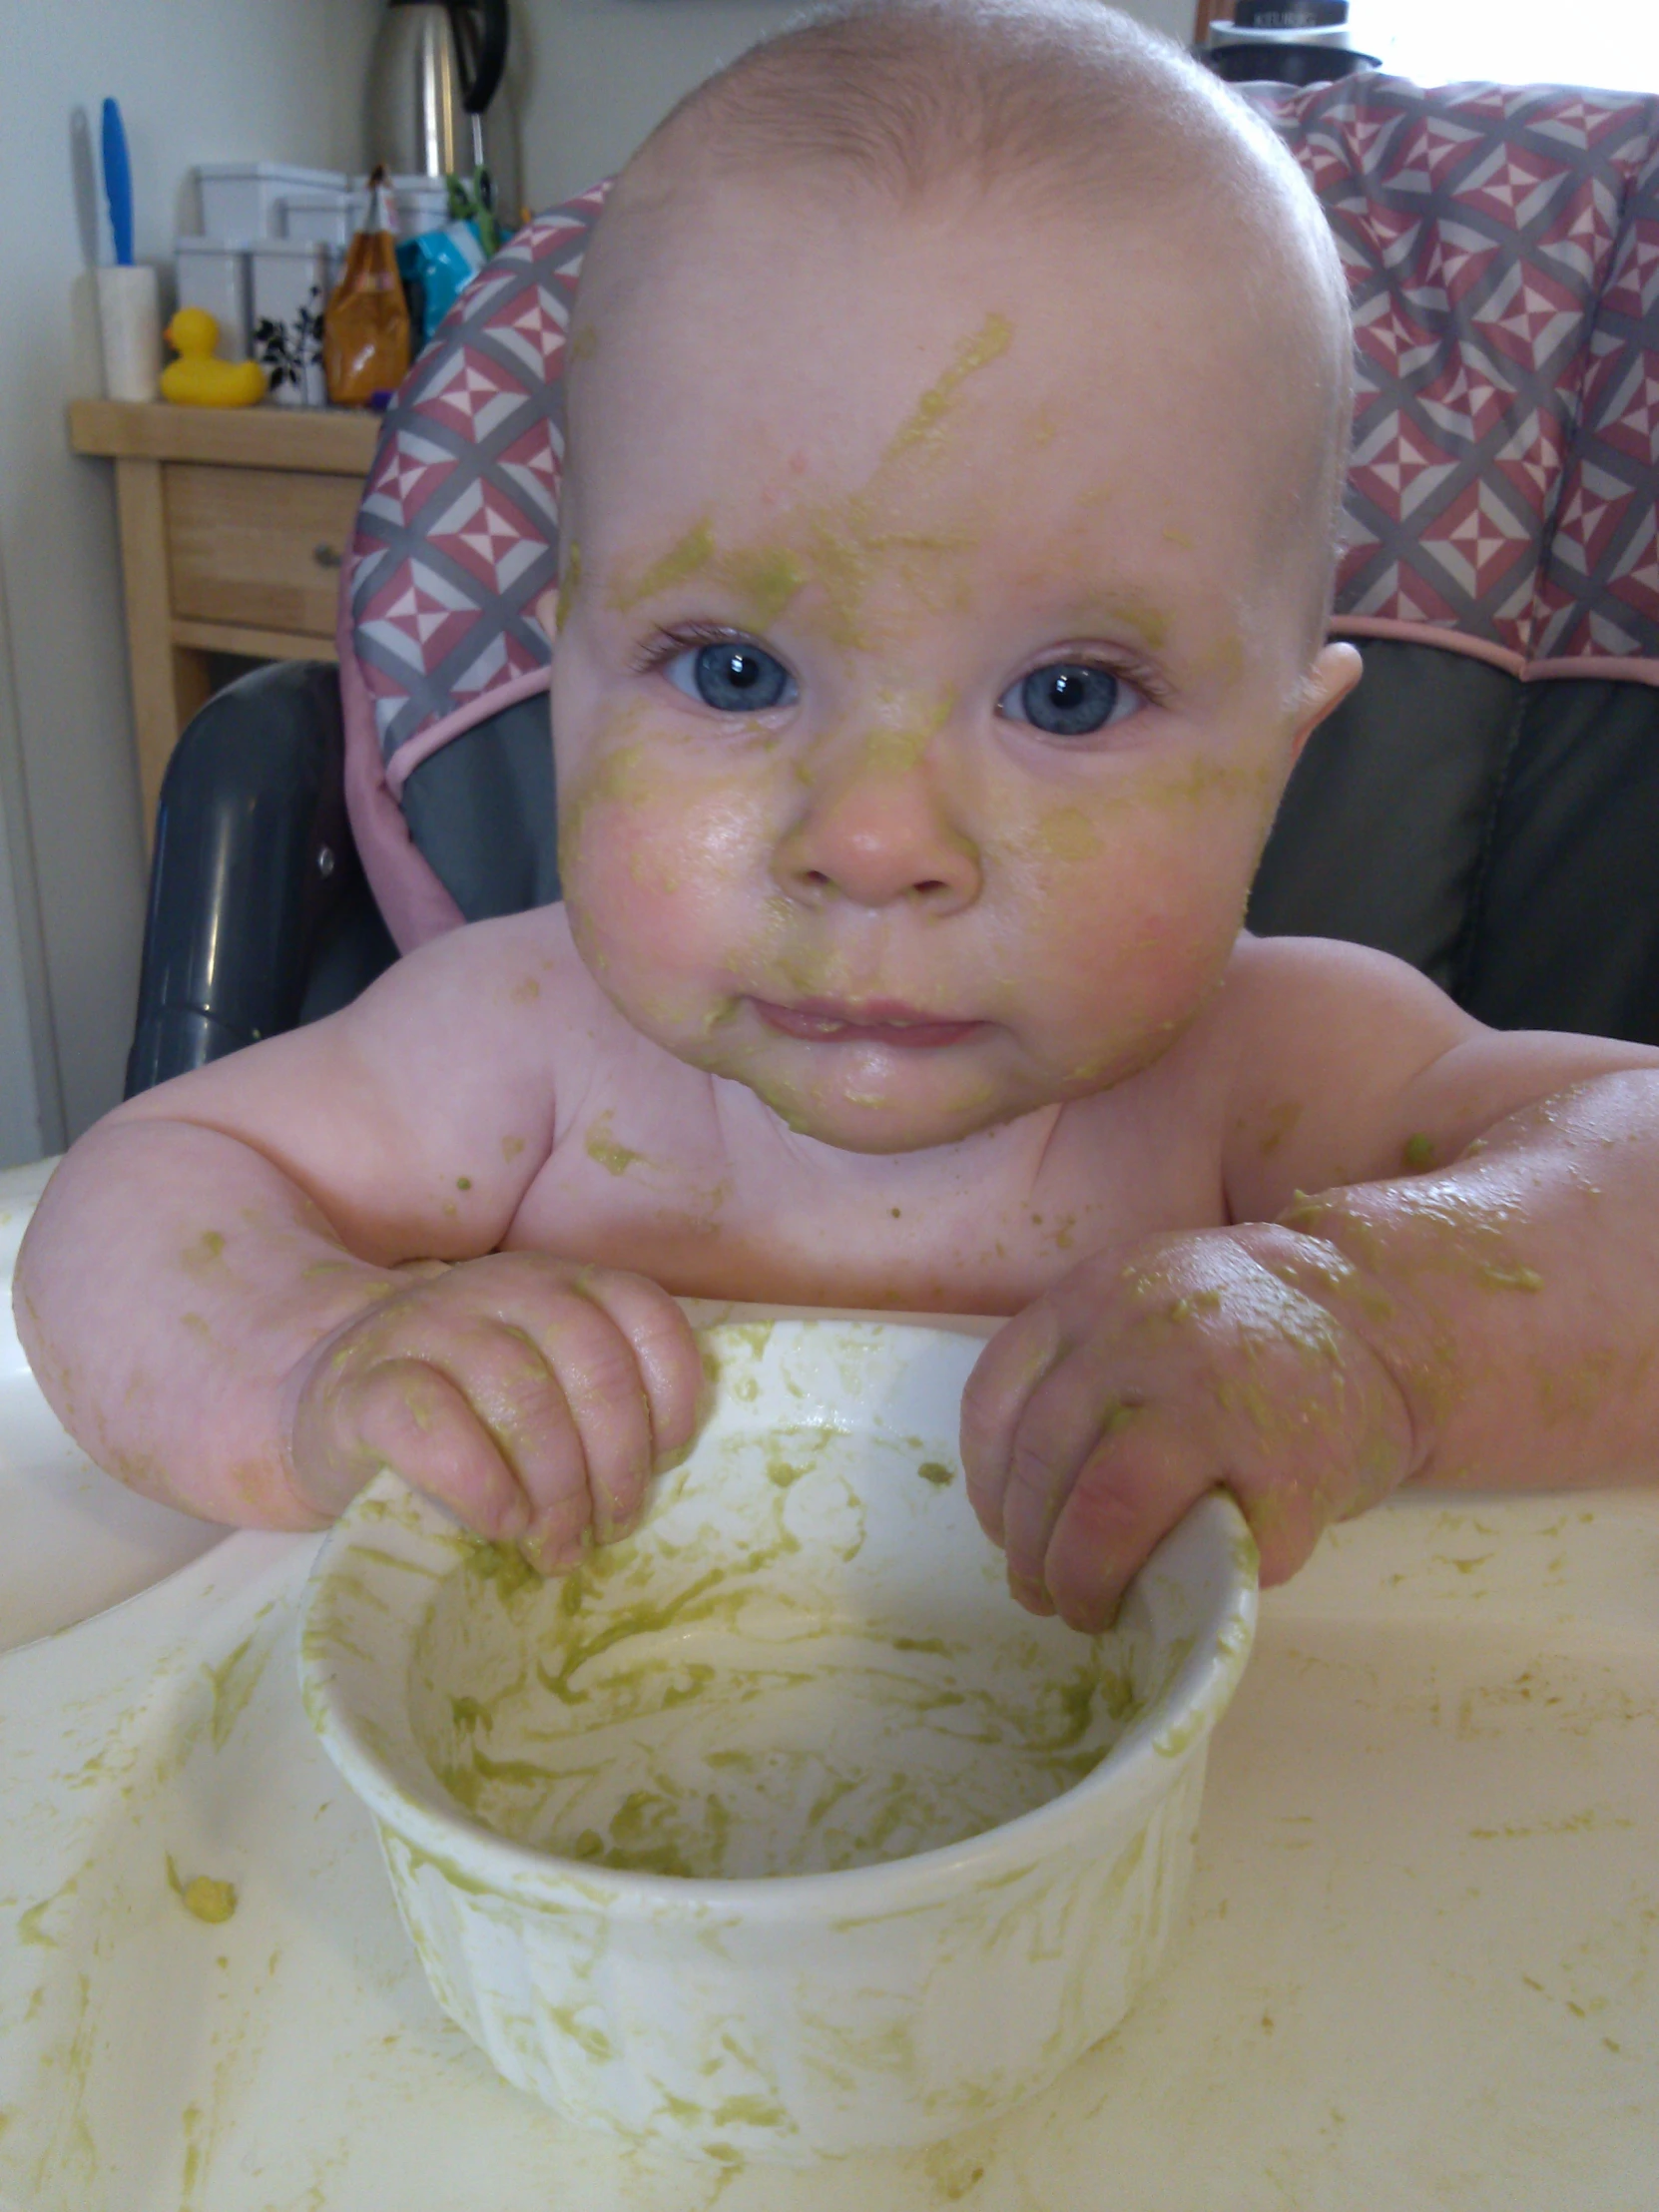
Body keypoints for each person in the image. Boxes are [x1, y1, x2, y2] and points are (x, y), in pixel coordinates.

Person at [16, 0, 1659, 1634]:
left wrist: (1367, 1328)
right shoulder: (515, 1049)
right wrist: (312, 1363)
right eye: (734, 670)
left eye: (1066, 695)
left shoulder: (1269, 1077)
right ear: (562, 674)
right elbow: (129, 1202)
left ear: (1274, 760)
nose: (872, 843)